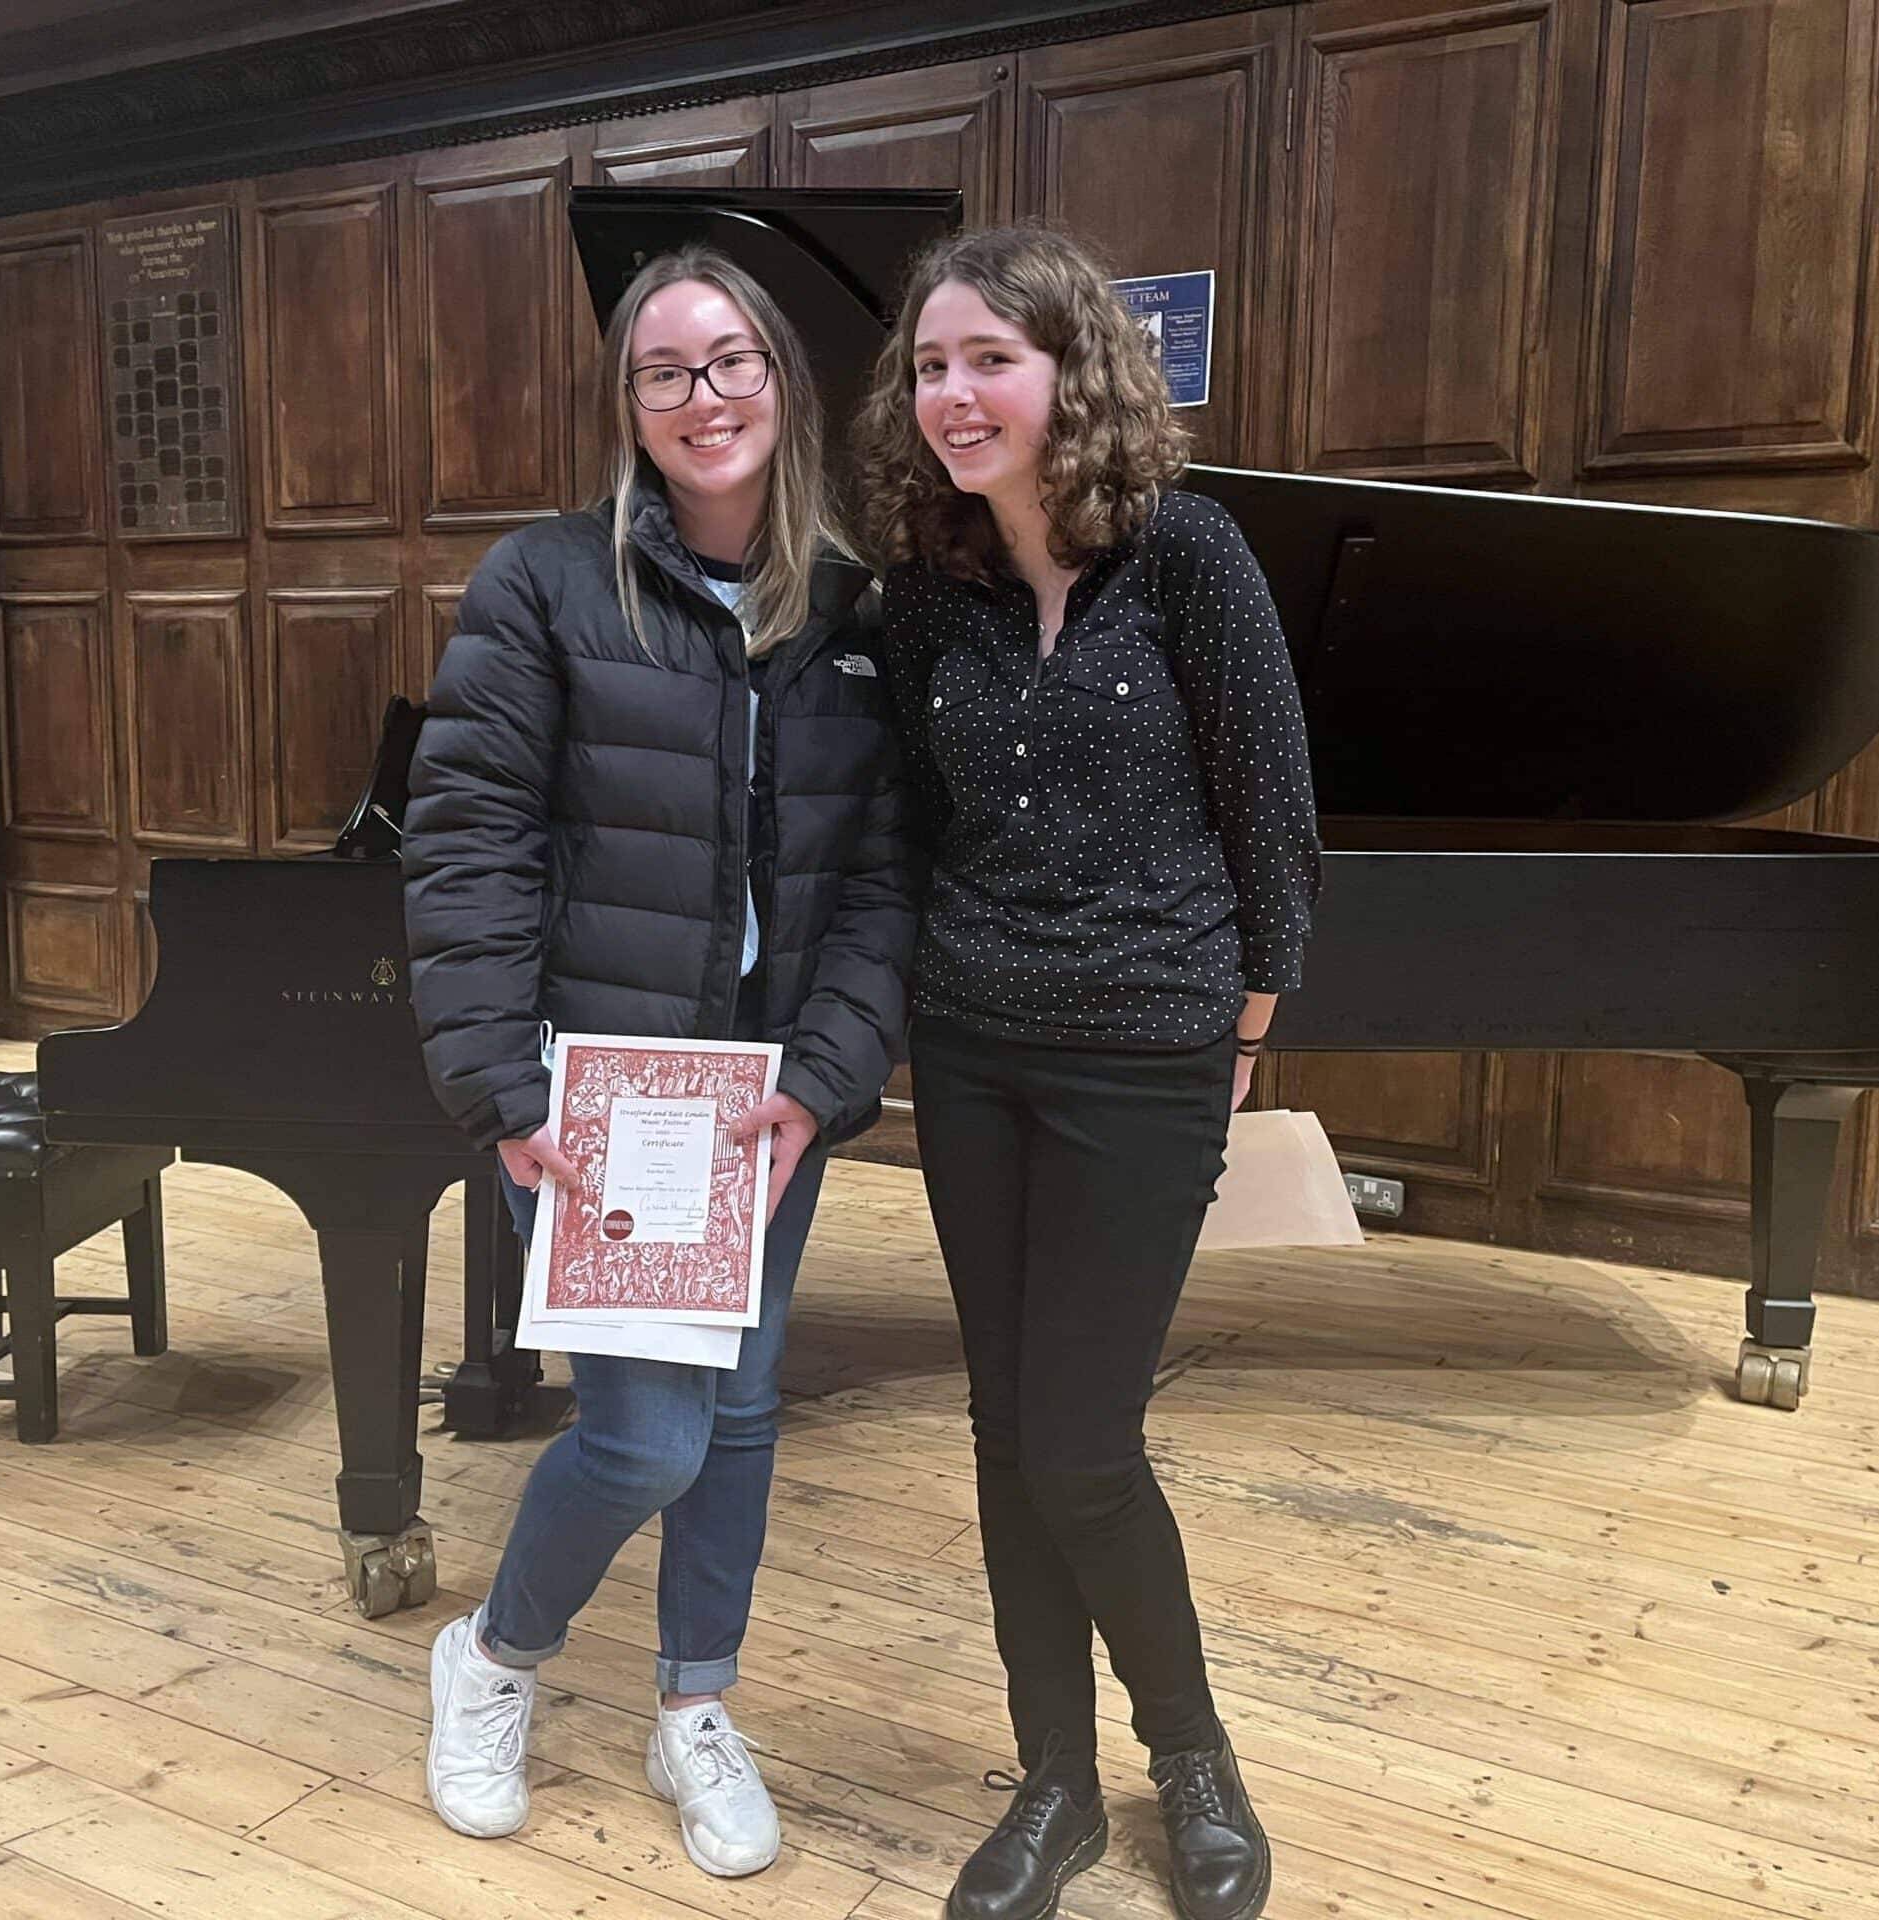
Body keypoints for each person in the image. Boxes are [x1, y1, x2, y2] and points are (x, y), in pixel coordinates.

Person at [402, 243, 915, 1876]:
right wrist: (503, 1089)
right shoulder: (545, 582)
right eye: (665, 370)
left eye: (731, 361)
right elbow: (467, 842)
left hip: (761, 1098)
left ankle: (695, 1703)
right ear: (626, 405)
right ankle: (489, 1658)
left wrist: (825, 1077)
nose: (704, 396)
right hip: (608, 1092)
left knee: (745, 1411)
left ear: (783, 381)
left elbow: (887, 876)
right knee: (645, 1437)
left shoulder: (854, 605)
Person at [856, 223, 1321, 1920]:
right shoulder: (924, 589)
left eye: (990, 358)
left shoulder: (1186, 557)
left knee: (1078, 1438)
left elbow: (1271, 819)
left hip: (1146, 1050)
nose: (956, 393)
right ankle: (1050, 1778)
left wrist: (1242, 1045)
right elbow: (910, 821)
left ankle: (1189, 1753)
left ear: (1071, 374)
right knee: (1003, 1429)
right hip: (973, 1049)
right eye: (930, 365)